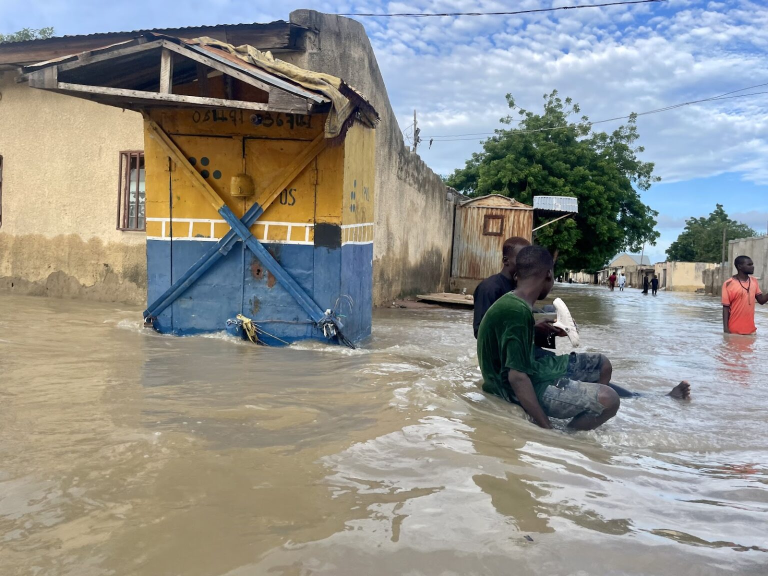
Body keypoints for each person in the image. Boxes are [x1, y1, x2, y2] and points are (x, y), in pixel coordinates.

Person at [477, 246, 691, 430]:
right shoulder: (516, 310)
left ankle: (583, 408)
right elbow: (517, 378)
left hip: (536, 366)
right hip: (512, 386)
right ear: (549, 275)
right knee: (609, 400)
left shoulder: (516, 303)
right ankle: (568, 436)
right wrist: (545, 428)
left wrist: (538, 331)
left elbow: (510, 343)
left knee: (602, 365)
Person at [473, 236, 563, 350]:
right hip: (501, 358)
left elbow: (522, 323)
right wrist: (531, 329)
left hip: (520, 349)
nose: (527, 262)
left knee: (549, 309)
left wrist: (554, 330)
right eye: (521, 258)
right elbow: (480, 332)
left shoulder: (522, 287)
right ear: (506, 261)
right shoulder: (489, 288)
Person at [722, 255, 767, 335]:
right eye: (749, 265)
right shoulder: (728, 284)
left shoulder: (754, 281)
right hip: (734, 331)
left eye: (752, 264)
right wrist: (726, 329)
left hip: (751, 331)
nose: (752, 267)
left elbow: (761, 301)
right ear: (740, 266)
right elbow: (726, 308)